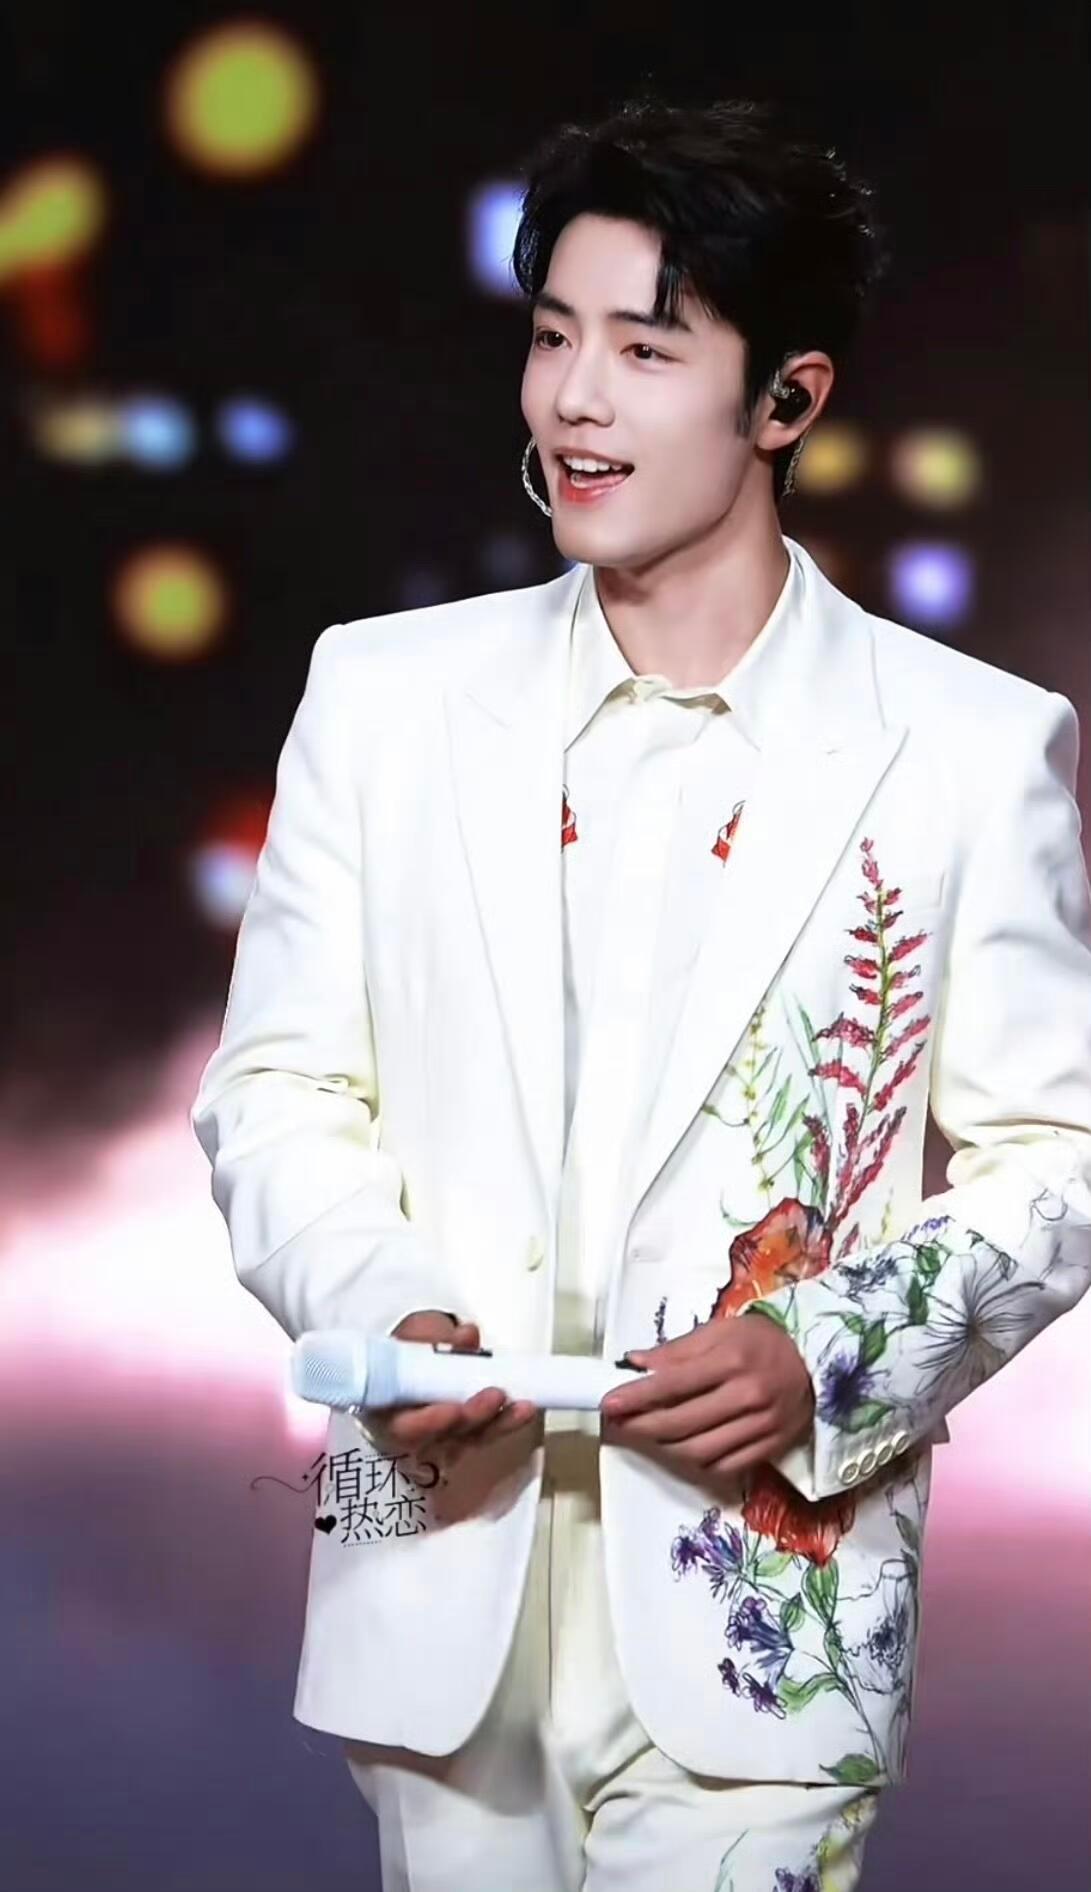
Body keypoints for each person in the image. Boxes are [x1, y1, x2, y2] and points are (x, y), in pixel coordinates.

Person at [189, 94, 1091, 1891]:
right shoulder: (384, 698)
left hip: (769, 1614)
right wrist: (386, 1309)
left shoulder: (967, 749)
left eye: (645, 350)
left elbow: (1058, 1157)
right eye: (552, 338)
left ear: (789, 401)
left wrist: (827, 1350)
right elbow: (276, 1089)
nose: (574, 401)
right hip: (437, 1579)